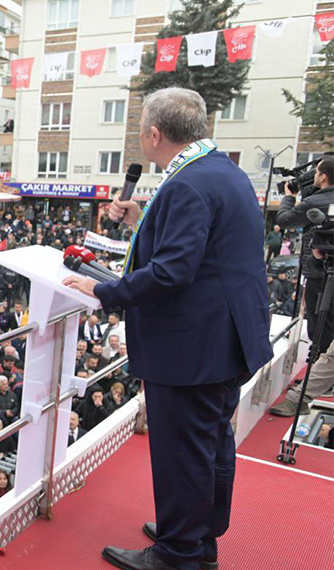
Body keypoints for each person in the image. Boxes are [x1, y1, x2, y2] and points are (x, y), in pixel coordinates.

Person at [65, 87, 273, 570]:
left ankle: (178, 554)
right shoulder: (220, 170)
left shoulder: (186, 184)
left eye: (140, 131)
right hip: (224, 339)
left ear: (155, 134)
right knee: (206, 443)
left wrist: (105, 291)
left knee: (183, 450)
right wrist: (143, 220)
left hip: (194, 348)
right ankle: (196, 537)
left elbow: (173, 271)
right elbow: (200, 250)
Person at [272, 156, 334, 417]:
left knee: (321, 326)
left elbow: (285, 219)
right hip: (323, 271)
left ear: (322, 176)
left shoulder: (316, 202)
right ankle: (308, 391)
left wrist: (289, 195)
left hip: (323, 277)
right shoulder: (320, 201)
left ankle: (305, 393)